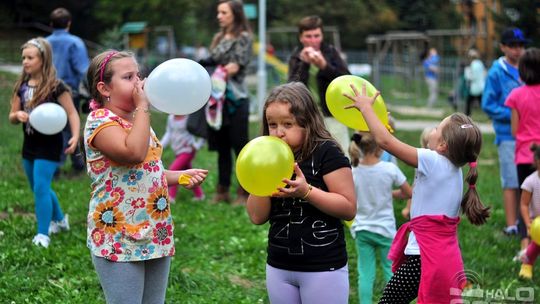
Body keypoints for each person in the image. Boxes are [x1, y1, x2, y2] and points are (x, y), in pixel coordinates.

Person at [344, 85, 490, 303]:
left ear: (442, 145)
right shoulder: (455, 170)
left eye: (436, 128)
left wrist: (367, 109)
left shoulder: (433, 161)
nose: (431, 129)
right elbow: (388, 140)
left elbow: (385, 142)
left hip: (422, 258)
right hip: (445, 257)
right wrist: (379, 123)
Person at [83, 50, 208, 303]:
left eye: (138, 74)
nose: (139, 82)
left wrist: (178, 176)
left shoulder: (139, 120)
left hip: (155, 228)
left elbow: (145, 171)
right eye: (129, 77)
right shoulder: (100, 121)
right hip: (118, 232)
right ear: (104, 88)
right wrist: (142, 107)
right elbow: (133, 154)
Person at [246, 82, 356, 304]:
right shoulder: (267, 156)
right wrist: (260, 177)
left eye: (288, 124)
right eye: (272, 125)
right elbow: (257, 217)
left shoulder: (327, 152)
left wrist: (306, 192)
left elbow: (348, 208)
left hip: (323, 266)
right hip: (279, 265)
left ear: (308, 123)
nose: (279, 132)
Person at [8, 37, 79, 248]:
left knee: (40, 187)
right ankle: (59, 220)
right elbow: (11, 116)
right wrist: (17, 114)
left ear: (43, 59)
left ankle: (42, 234)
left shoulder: (56, 87)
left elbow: (72, 113)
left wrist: (75, 135)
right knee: (38, 187)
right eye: (23, 58)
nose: (25, 62)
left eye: (30, 57)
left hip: (50, 146)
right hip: (29, 145)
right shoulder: (21, 86)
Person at [199, 0, 253, 205]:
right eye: (218, 12)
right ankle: (222, 191)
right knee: (222, 146)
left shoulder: (244, 38)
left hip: (235, 99)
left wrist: (214, 67)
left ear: (235, 14)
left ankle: (245, 191)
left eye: (224, 12)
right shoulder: (218, 37)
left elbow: (234, 67)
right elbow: (212, 62)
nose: (219, 16)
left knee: (240, 146)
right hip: (216, 100)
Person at [348, 132, 412, 304]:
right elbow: (408, 192)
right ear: (380, 149)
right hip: (386, 231)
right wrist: (390, 193)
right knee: (390, 270)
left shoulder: (353, 171)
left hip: (362, 230)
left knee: (365, 274)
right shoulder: (389, 169)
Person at [482, 27, 528, 241]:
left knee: (527, 180)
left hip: (529, 135)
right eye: (512, 46)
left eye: (520, 46)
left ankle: (525, 221)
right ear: (503, 47)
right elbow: (488, 105)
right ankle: (511, 225)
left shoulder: (529, 68)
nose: (517, 50)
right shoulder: (496, 72)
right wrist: (513, 114)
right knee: (510, 180)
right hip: (507, 136)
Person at [288, 15, 351, 155]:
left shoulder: (330, 52)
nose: (313, 41)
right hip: (307, 115)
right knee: (310, 154)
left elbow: (346, 79)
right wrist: (304, 64)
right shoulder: (296, 56)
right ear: (301, 38)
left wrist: (324, 66)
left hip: (332, 113)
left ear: (322, 36)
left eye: (316, 36)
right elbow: (291, 86)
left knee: (340, 152)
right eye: (308, 36)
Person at [46, 7, 89, 173]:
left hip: (47, 91)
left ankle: (53, 165)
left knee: (51, 128)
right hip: (69, 92)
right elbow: (82, 70)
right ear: (69, 23)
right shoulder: (75, 43)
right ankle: (77, 164)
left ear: (51, 24)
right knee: (72, 127)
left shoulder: (44, 43)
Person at [161, 114, 206, 202]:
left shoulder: (189, 117)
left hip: (187, 150)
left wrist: (197, 146)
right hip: (177, 150)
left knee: (174, 170)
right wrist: (160, 146)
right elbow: (168, 133)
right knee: (188, 172)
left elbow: (203, 132)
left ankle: (171, 196)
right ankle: (200, 195)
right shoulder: (171, 118)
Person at [401, 126, 434, 220]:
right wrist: (408, 207)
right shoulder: (421, 163)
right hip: (422, 203)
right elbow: (415, 185)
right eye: (427, 144)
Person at [518, 144, 540, 279]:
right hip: (537, 224)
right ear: (537, 161)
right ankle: (526, 265)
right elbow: (524, 204)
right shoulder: (530, 181)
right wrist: (528, 223)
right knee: (534, 248)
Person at [464, 49, 486, 116]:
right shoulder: (480, 63)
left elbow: (473, 77)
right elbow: (484, 73)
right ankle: (488, 115)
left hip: (475, 87)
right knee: (481, 101)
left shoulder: (473, 64)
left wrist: (467, 75)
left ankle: (467, 115)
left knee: (469, 102)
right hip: (481, 85)